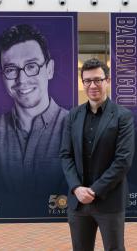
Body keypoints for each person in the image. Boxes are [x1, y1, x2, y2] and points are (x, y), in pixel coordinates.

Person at [0, 24, 68, 217]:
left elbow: (74, 196)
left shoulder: (76, 128)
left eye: (31, 66)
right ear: (3, 77)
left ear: (49, 69)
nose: (21, 80)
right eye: (11, 69)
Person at [60, 58, 135, 251]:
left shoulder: (122, 116)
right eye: (87, 81)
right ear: (83, 83)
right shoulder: (72, 116)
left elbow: (123, 160)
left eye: (98, 80)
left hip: (109, 200)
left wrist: (93, 191)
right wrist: (77, 188)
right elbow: (65, 155)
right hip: (78, 203)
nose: (93, 85)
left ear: (107, 81)